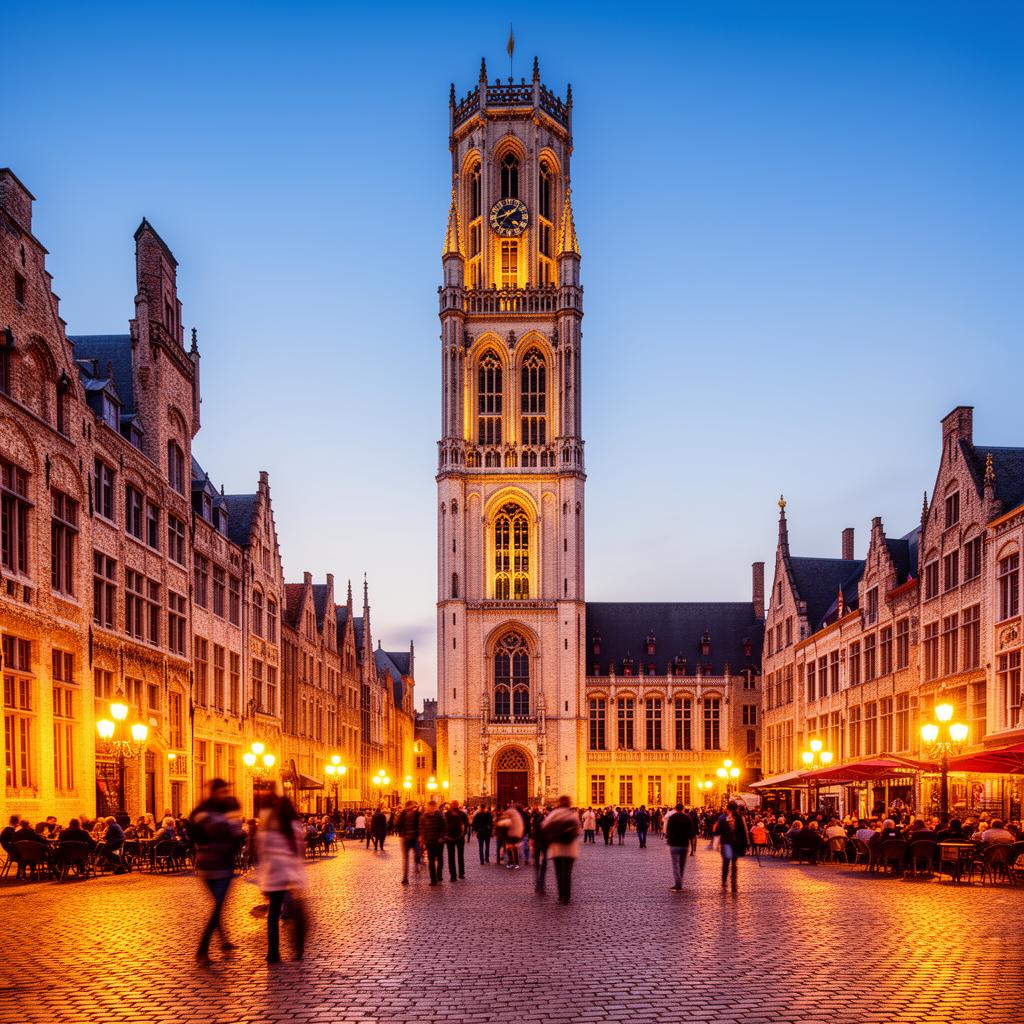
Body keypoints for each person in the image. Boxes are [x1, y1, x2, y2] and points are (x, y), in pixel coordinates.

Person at [189, 778, 243, 964]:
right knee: (217, 907)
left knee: (217, 906)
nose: (225, 795)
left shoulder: (219, 810)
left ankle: (224, 941)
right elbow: (195, 833)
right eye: (223, 791)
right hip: (214, 864)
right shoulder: (204, 811)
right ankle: (202, 950)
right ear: (214, 792)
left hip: (218, 863)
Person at [256, 794, 307, 964]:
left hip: (274, 875)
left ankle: (273, 953)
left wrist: (263, 880)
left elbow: (262, 852)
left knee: (273, 914)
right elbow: (300, 850)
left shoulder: (268, 826)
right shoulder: (294, 827)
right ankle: (298, 947)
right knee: (293, 912)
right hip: (290, 875)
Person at [541, 797, 581, 904]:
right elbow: (578, 831)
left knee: (559, 873)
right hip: (570, 849)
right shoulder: (573, 814)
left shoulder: (554, 814)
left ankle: (560, 895)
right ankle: (566, 896)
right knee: (567, 873)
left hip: (556, 849)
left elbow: (544, 826)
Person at [716, 800, 748, 892]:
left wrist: (717, 843)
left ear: (727, 808)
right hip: (736, 844)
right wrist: (745, 844)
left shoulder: (722, 818)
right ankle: (734, 884)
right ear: (736, 808)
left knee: (726, 863)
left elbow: (718, 831)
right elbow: (743, 832)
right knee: (734, 864)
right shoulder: (739, 818)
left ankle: (724, 880)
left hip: (726, 844)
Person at [666, 802, 695, 891]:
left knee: (675, 865)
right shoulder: (687, 818)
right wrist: (689, 839)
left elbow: (668, 831)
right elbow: (691, 831)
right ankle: (679, 883)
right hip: (684, 844)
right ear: (683, 809)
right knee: (682, 864)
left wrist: (670, 839)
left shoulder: (672, 818)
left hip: (674, 844)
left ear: (675, 809)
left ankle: (678, 884)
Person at [420, 799, 446, 885]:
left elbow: (444, 828)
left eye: (433, 807)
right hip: (429, 841)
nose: (431, 809)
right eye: (429, 807)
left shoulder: (440, 816)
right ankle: (433, 879)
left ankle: (439, 874)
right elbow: (422, 829)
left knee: (440, 859)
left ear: (435, 807)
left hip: (439, 841)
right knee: (431, 860)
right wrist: (422, 839)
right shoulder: (424, 817)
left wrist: (441, 837)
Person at [443, 800, 469, 881]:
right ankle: (453, 875)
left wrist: (463, 834)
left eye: (455, 804)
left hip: (459, 837)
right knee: (451, 857)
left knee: (460, 856)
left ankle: (461, 873)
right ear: (451, 805)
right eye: (453, 804)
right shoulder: (447, 814)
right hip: (449, 838)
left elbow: (466, 824)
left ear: (457, 805)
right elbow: (444, 825)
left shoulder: (462, 814)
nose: (454, 805)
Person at [397, 800, 420, 884]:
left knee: (417, 853)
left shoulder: (417, 814)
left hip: (415, 837)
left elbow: (420, 824)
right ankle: (405, 877)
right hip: (405, 838)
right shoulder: (403, 814)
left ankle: (417, 864)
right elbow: (398, 825)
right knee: (405, 859)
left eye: (413, 806)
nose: (412, 808)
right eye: (411, 806)